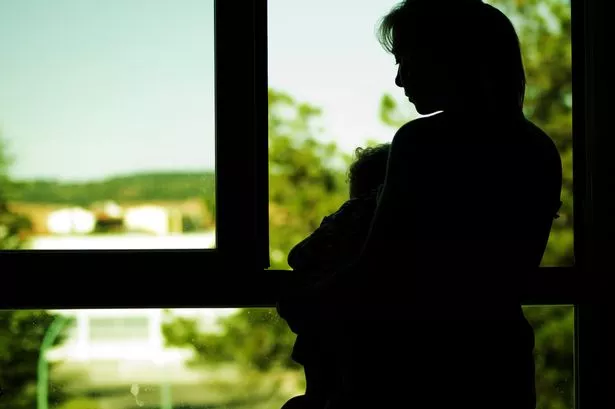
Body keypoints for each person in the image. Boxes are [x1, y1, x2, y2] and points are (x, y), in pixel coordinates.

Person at [283, 1, 563, 408]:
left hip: (409, 368)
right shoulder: (538, 149)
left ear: (454, 58)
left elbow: (381, 269)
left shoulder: (423, 142)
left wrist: (309, 300)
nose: (399, 79)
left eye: (407, 60)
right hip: (498, 362)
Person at [278, 143, 391, 409]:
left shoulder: (356, 214)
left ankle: (317, 396)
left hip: (332, 326)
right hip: (372, 343)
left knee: (317, 394)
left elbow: (298, 255)